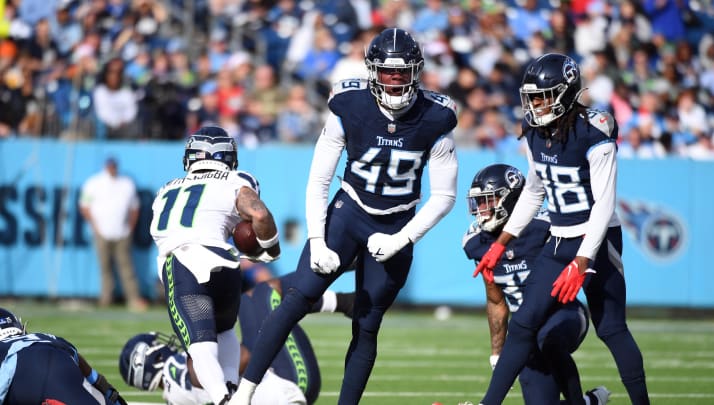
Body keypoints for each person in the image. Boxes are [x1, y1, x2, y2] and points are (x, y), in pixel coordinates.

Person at [231, 27, 459, 405]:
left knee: (367, 325)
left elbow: (444, 197)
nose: (396, 80)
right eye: (388, 72)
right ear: (373, 71)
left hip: (397, 222)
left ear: (417, 71)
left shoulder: (437, 117)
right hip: (349, 212)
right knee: (296, 298)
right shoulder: (349, 104)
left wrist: (402, 239)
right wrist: (318, 240)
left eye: (404, 72)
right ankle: (244, 394)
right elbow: (319, 180)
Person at [474, 53, 649, 405]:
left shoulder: (594, 129)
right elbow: (535, 191)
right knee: (523, 325)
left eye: (544, 95)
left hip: (597, 240)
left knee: (612, 329)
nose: (536, 104)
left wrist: (584, 259)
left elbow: (604, 204)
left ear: (567, 92)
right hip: (559, 238)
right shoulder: (535, 132)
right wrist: (502, 241)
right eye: (532, 97)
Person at [149, 125, 282, 404]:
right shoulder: (237, 179)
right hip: (226, 264)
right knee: (225, 331)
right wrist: (270, 250)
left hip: (185, 263)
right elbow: (259, 214)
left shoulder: (166, 189)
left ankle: (223, 399)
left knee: (200, 345)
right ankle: (232, 389)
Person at [462, 164, 610, 405]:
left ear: (511, 199)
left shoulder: (544, 226)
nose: (482, 209)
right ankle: (589, 402)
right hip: (524, 337)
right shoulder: (475, 242)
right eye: (478, 202)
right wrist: (497, 355)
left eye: (489, 200)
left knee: (546, 338)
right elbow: (496, 300)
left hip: (564, 313)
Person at [118, 275, 355, 405]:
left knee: (253, 297)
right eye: (159, 346)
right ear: (153, 358)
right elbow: (245, 357)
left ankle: (347, 297)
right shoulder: (178, 372)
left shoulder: (175, 395)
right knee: (264, 294)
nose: (167, 345)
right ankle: (344, 276)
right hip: (289, 385)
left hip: (277, 388)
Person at [0, 307, 127, 404]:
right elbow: (89, 373)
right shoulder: (44, 337)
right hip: (61, 365)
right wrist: (112, 396)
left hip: (25, 383)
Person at [79, 156, 147, 312]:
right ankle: (106, 299)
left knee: (126, 267)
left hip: (122, 232)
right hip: (101, 232)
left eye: (114, 166)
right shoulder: (93, 183)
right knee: (105, 268)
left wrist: (130, 227)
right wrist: (95, 226)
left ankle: (133, 299)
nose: (112, 168)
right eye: (110, 166)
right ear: (105, 166)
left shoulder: (126, 183)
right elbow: (84, 206)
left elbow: (134, 207)